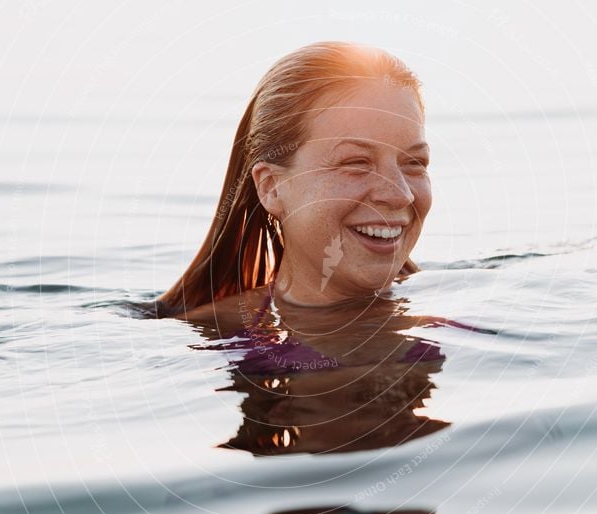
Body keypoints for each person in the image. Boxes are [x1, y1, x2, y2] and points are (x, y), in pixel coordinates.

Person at [155, 40, 431, 325]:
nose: (400, 195)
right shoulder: (212, 338)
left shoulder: (463, 313)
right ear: (272, 187)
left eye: (414, 163)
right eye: (356, 163)